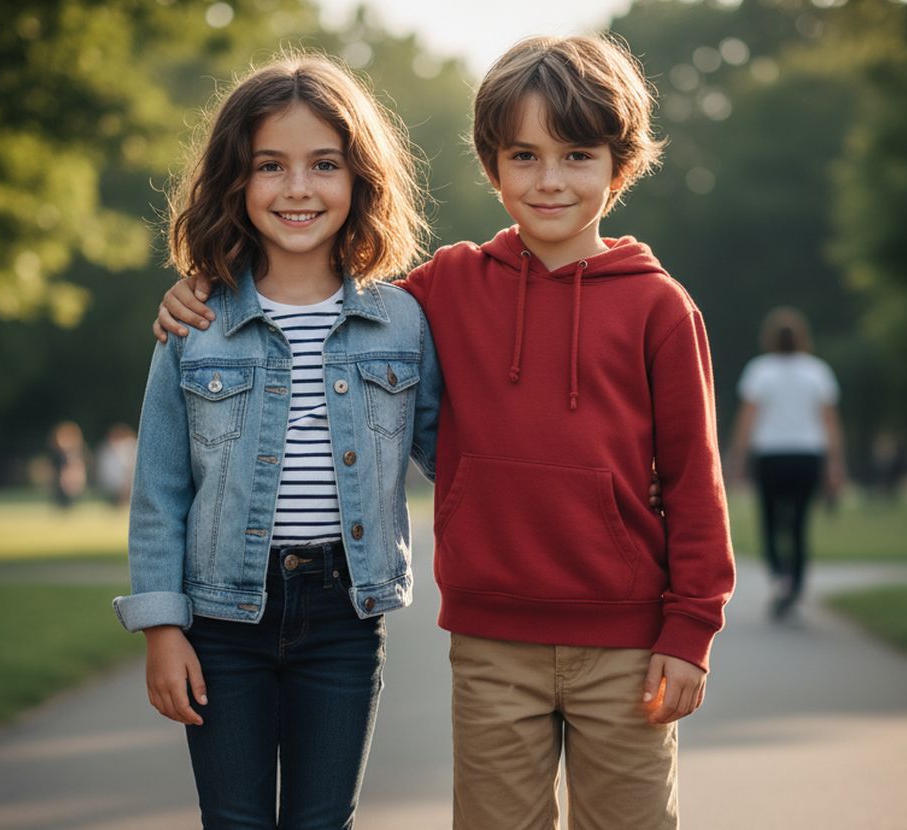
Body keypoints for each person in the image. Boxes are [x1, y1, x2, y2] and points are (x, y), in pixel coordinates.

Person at [158, 35, 735, 829]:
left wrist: (691, 629)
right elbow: (330, 299)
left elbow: (697, 482)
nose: (550, 179)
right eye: (524, 156)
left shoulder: (659, 309)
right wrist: (203, 292)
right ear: (492, 165)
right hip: (493, 639)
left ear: (620, 164)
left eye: (576, 155)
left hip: (628, 644)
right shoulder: (446, 287)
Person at [112, 53, 442, 830]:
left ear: (360, 179)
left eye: (324, 164)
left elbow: (456, 455)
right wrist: (161, 629)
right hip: (221, 622)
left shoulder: (401, 321)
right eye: (270, 165)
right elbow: (159, 490)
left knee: (324, 822)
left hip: (344, 619)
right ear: (235, 181)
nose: (298, 188)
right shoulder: (195, 325)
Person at [727, 307, 844, 619]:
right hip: (807, 455)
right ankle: (797, 582)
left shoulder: (760, 371)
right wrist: (835, 463)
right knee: (799, 523)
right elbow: (830, 422)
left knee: (769, 519)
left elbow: (747, 420)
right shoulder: (817, 372)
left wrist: (737, 459)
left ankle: (780, 574)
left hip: (771, 455)